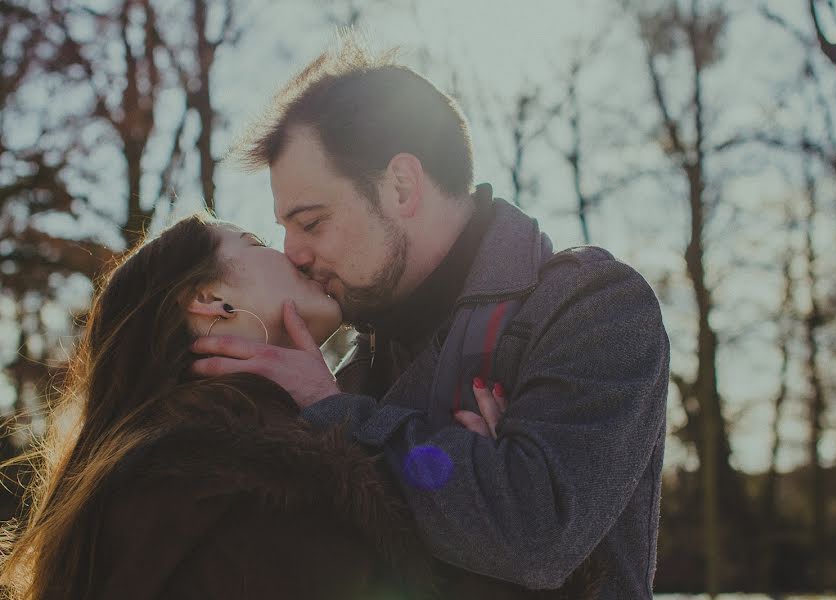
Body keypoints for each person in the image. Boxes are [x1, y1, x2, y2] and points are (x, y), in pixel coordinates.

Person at [193, 39, 670, 598]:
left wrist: (336, 416)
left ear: (401, 186)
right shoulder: (361, 361)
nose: (292, 252)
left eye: (312, 222)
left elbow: (533, 532)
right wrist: (473, 475)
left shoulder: (596, 307)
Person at [0, 216, 440, 599]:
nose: (296, 255)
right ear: (209, 300)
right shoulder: (255, 487)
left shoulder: (162, 472)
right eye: (255, 241)